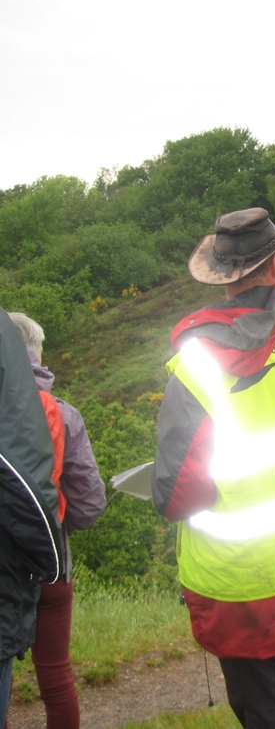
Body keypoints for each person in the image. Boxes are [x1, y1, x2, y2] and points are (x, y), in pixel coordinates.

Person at [152, 208, 275, 729]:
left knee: (270, 714)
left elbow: (178, 493)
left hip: (238, 584)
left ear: (223, 276)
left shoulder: (197, 362)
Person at [8, 313, 107, 729]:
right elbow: (89, 504)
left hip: (2, 569)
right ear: (35, 353)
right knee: (54, 673)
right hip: (50, 565)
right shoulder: (63, 415)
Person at [0, 307, 63, 723]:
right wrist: (53, 555)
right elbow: (25, 481)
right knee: (57, 672)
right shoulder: (56, 410)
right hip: (32, 552)